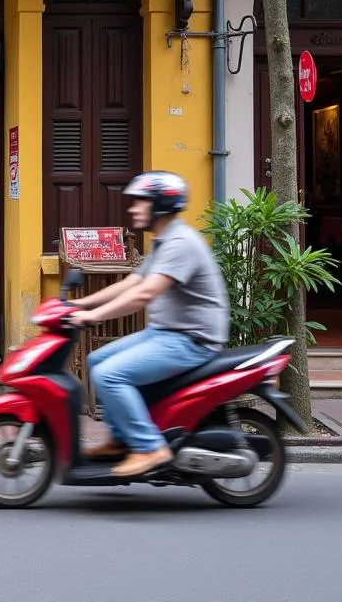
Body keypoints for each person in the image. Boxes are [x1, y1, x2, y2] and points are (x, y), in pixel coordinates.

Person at [68, 170, 229, 477]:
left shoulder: (180, 243)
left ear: (160, 205)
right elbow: (133, 281)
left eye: (141, 201)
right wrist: (82, 303)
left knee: (109, 374)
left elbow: (144, 293)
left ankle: (149, 448)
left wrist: (92, 316)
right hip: (166, 333)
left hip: (191, 339)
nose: (133, 208)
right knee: (96, 359)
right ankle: (120, 439)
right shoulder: (164, 241)